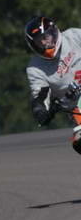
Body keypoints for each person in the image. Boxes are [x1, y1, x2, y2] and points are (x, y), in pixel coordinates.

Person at [24, 15, 81, 153]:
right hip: (77, 109)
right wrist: (40, 111)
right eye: (39, 41)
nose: (44, 43)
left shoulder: (74, 36)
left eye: (46, 37)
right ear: (33, 45)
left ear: (54, 31)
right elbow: (40, 96)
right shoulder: (35, 68)